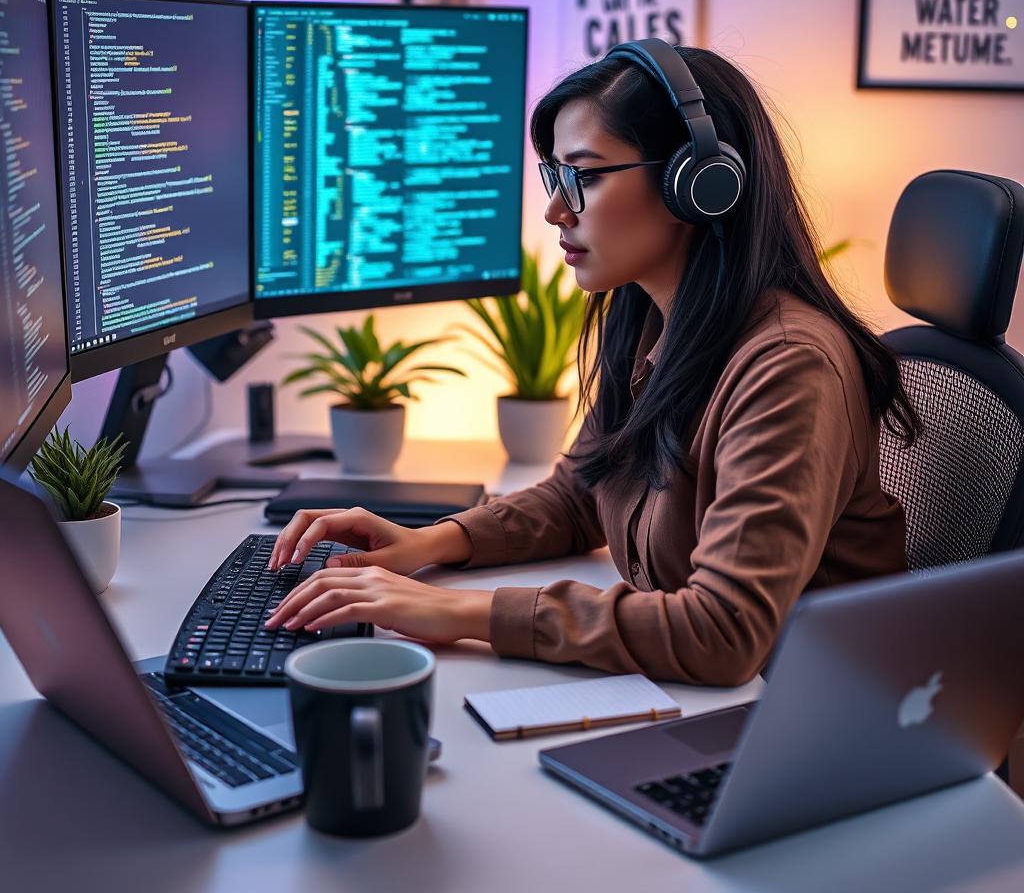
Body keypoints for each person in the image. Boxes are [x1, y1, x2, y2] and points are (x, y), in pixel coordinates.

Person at [264, 41, 920, 686]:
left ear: (699, 185)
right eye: (555, 176)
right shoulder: (653, 317)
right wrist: (429, 543)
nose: (555, 209)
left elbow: (724, 632)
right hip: (708, 698)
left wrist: (457, 611)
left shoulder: (788, 367)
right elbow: (582, 493)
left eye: (585, 175)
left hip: (807, 714)